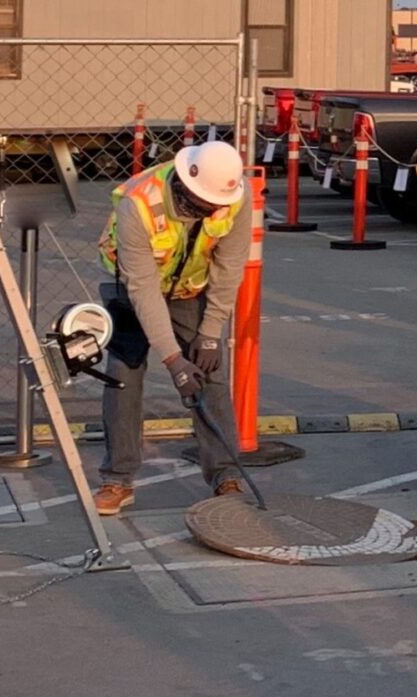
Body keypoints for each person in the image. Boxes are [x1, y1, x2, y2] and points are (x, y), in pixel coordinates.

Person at [93, 140, 253, 515]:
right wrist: (173, 360)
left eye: (216, 205)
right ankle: (117, 478)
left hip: (189, 289)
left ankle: (225, 475)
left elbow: (229, 268)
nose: (212, 210)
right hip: (130, 289)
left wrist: (210, 333)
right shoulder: (139, 205)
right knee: (122, 374)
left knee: (210, 373)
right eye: (205, 205)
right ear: (185, 184)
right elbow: (143, 290)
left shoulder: (236, 199)